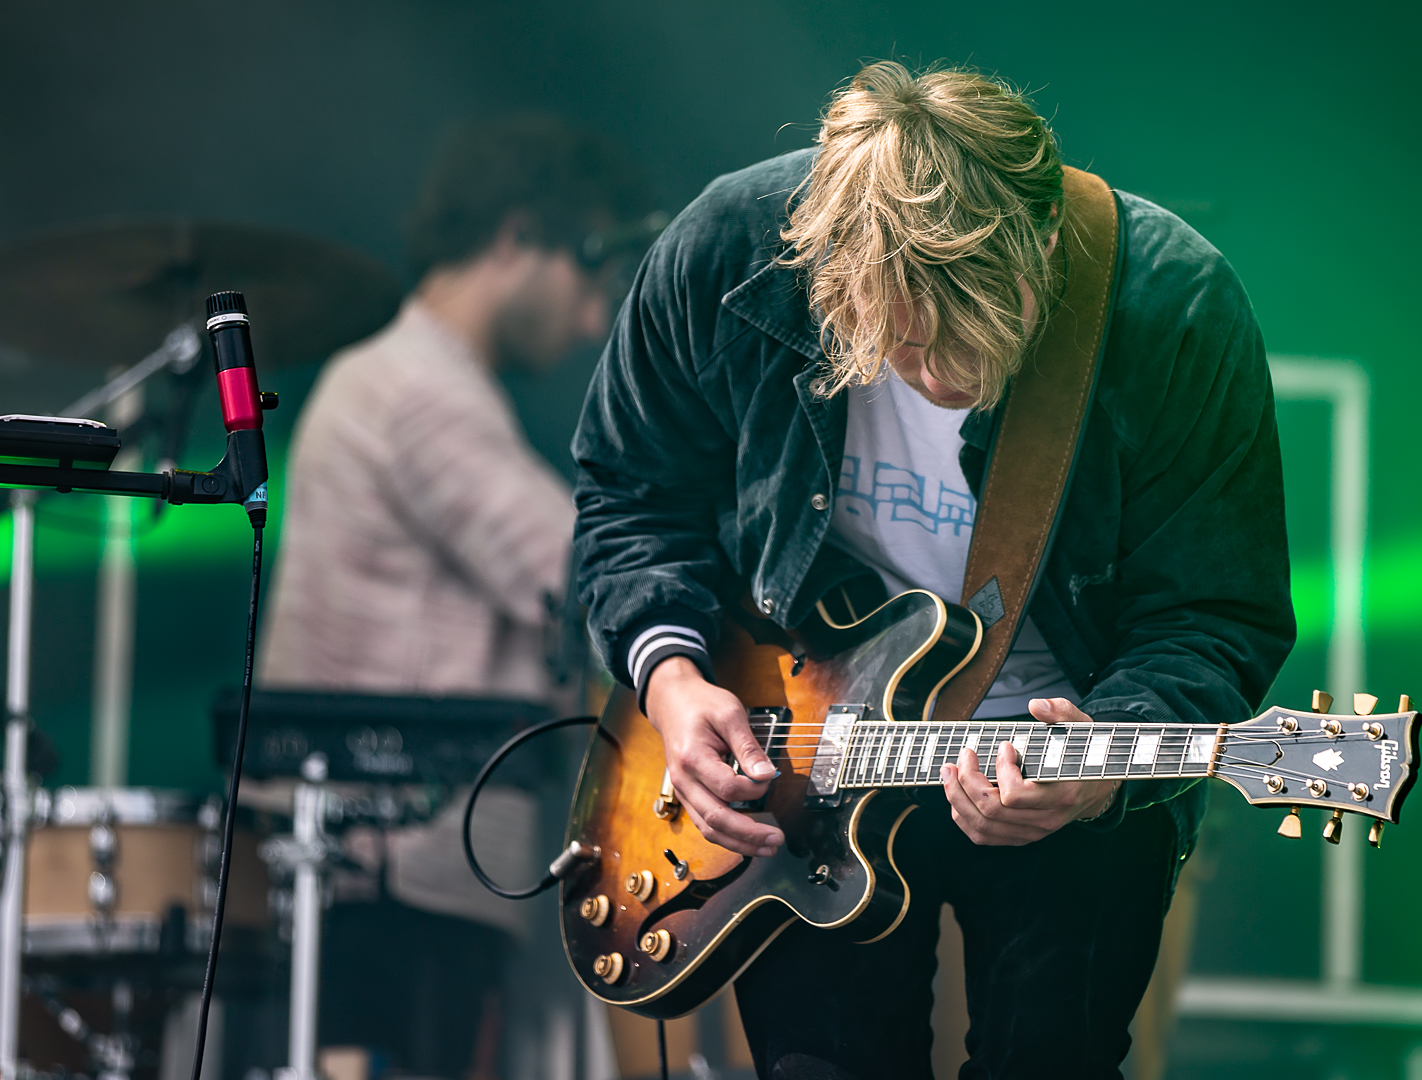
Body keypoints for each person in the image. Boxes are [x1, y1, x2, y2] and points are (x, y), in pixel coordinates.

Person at [573, 63, 1292, 1080]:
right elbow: (626, 490)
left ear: (1044, 248)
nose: (937, 373)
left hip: (1059, 756)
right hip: (805, 758)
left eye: (972, 334)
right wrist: (674, 680)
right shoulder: (728, 249)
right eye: (899, 339)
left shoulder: (1171, 308)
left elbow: (1217, 611)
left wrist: (1101, 771)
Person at [258, 114, 648, 1079]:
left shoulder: (411, 383)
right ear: (518, 237)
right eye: (591, 277)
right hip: (396, 868)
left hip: (391, 867)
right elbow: (578, 571)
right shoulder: (410, 387)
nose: (596, 319)